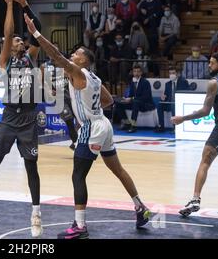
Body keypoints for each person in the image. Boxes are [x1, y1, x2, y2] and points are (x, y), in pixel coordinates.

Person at [24, 15, 151, 239]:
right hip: (104, 125)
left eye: (77, 54)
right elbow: (109, 101)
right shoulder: (94, 77)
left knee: (77, 176)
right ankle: (141, 207)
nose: (73, 55)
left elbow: (55, 53)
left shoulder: (78, 72)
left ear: (83, 61)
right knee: (118, 170)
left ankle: (80, 226)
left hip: (91, 128)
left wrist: (35, 33)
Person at [0, 0, 43, 237]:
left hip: (27, 119)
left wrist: (24, 4)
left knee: (31, 167)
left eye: (19, 39)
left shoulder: (32, 57)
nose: (17, 40)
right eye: (14, 39)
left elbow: (37, 30)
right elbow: (6, 34)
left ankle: (36, 212)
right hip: (9, 118)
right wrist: (8, 5)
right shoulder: (5, 60)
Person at [172, 53, 218, 217]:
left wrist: (182, 118)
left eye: (212, 63)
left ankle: (195, 199)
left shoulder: (214, 83)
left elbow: (205, 111)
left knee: (205, 160)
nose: (209, 65)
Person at [42, 57, 78, 150]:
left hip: (72, 96)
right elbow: (41, 81)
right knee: (69, 121)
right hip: (59, 99)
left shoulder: (66, 64)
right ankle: (76, 143)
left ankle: (77, 141)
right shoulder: (45, 66)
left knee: (79, 119)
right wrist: (49, 89)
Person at [114, 65, 156, 133]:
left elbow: (145, 97)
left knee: (135, 102)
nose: (136, 73)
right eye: (135, 71)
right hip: (135, 103)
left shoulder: (145, 82)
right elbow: (131, 95)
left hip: (145, 104)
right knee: (118, 104)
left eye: (138, 71)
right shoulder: (132, 82)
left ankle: (133, 126)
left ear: (141, 73)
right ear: (133, 73)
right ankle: (127, 123)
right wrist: (126, 99)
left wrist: (131, 99)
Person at [155, 67, 189, 132]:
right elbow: (166, 96)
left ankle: (175, 127)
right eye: (170, 73)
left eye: (173, 73)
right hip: (169, 103)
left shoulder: (183, 82)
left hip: (179, 104)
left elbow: (187, 93)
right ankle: (161, 126)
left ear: (177, 74)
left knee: (173, 105)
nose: (171, 75)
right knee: (159, 105)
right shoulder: (167, 84)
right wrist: (163, 98)